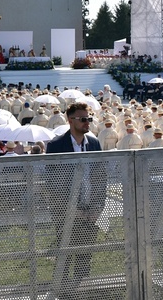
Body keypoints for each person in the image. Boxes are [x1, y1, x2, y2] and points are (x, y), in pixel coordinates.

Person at [45, 102, 107, 284]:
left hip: (90, 210)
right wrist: (70, 210)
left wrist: (97, 207)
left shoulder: (94, 143)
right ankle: (62, 289)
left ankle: (81, 285)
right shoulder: (56, 146)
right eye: (83, 119)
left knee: (85, 252)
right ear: (70, 120)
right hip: (66, 212)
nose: (87, 122)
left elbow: (100, 178)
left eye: (89, 119)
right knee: (65, 251)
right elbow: (53, 184)